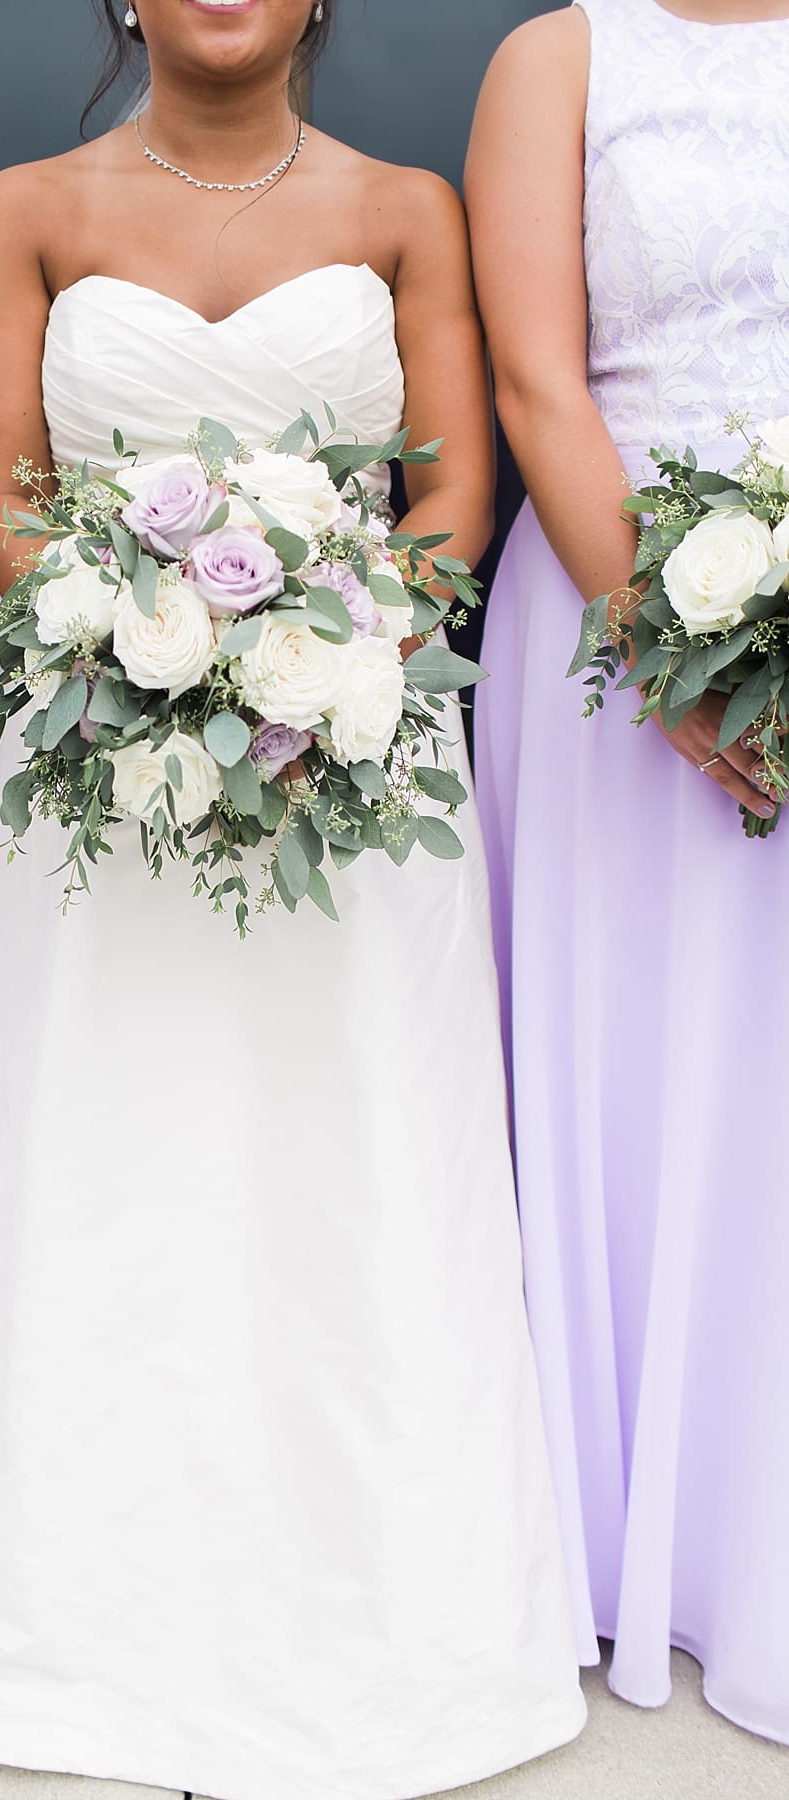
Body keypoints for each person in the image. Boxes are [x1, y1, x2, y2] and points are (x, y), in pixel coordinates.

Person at [0, 3, 585, 1795]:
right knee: (116, 1148)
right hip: (100, 758)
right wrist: (143, 661)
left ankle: (398, 1598)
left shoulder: (406, 207)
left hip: (358, 747)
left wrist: (314, 659)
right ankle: (100, 1611)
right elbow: (5, 505)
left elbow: (450, 500)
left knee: (357, 1137)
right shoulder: (21, 210)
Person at [467, 0, 789, 1744]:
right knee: (637, 1067)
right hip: (612, 616)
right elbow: (537, 378)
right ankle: (611, 1537)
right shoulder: (562, 55)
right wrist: (671, 652)